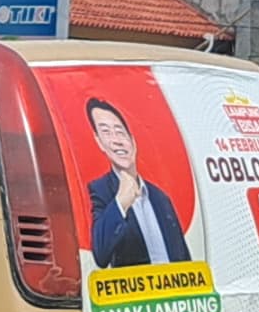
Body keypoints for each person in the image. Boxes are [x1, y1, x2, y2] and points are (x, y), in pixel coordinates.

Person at [79, 97, 191, 269]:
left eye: (120, 131)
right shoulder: (100, 190)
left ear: (133, 141)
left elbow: (183, 256)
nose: (116, 140)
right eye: (106, 132)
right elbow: (101, 255)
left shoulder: (160, 197)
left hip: (173, 292)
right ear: (99, 142)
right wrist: (120, 202)